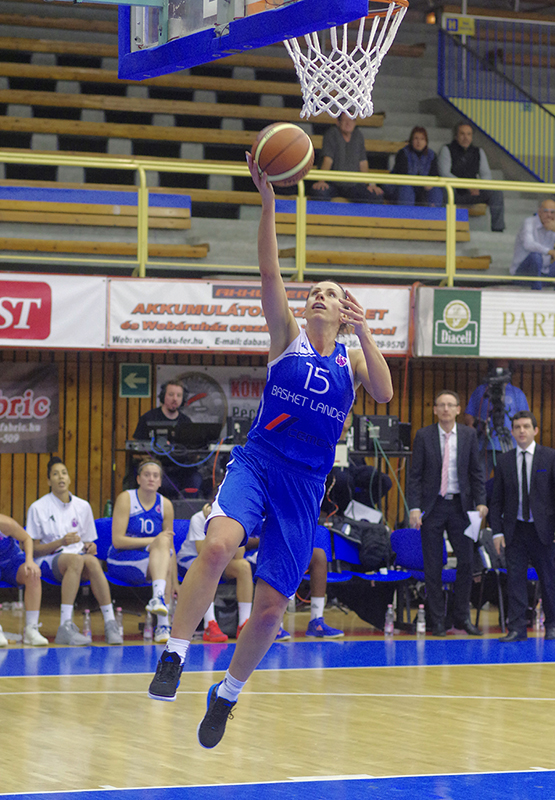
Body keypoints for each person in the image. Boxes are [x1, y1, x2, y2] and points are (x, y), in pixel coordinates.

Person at [148, 150, 393, 750]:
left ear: (343, 309)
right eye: (315, 291)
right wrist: (268, 204)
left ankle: (227, 694)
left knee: (270, 609)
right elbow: (269, 271)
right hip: (258, 463)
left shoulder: (352, 360)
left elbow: (386, 392)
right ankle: (175, 652)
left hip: (305, 486)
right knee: (216, 547)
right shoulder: (287, 336)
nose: (320, 296)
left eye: (331, 293)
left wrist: (366, 330)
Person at [407, 390, 488, 637]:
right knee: (433, 566)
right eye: (441, 405)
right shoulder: (424, 435)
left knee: (466, 563)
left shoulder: (468, 435)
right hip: (433, 507)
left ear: (458, 409)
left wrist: (481, 502)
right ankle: (437, 620)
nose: (445, 409)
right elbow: (415, 476)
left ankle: (462, 616)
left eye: (450, 405)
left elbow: (476, 472)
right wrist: (414, 508)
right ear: (434, 409)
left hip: (461, 507)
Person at [26, 457, 123, 646]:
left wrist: (90, 547)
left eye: (64, 473)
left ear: (69, 479)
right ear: (49, 481)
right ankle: (65, 625)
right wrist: (60, 542)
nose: (60, 477)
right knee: (76, 560)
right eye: (55, 474)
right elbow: (33, 549)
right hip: (49, 560)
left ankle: (110, 623)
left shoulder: (83, 506)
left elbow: (89, 543)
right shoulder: (38, 507)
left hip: (77, 560)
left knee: (92, 561)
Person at [490, 411, 555, 642]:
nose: (521, 431)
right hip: (514, 529)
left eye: (526, 426)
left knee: (548, 579)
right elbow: (496, 501)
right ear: (512, 431)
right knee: (515, 579)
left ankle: (552, 625)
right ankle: (517, 628)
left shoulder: (550, 457)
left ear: (535, 430)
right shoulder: (504, 461)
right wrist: (497, 532)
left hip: (543, 529)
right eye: (517, 427)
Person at [108, 459, 176, 644]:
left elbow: (170, 549)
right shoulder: (126, 498)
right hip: (121, 558)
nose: (151, 479)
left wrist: (175, 581)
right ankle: (163, 624)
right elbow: (117, 540)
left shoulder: (166, 505)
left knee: (165, 551)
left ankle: (158, 602)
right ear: (138, 479)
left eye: (155, 476)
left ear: (160, 482)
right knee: (162, 546)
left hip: (152, 560)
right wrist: (155, 541)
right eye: (147, 475)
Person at [176, 501, 253, 642]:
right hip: (190, 559)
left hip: (219, 561)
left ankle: (244, 624)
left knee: (244, 567)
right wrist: (211, 523)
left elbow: (239, 556)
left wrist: (235, 528)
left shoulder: (236, 519)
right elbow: (204, 553)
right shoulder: (199, 518)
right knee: (209, 565)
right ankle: (209, 624)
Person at [132, 380, 202, 500]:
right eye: (171, 394)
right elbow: (136, 450)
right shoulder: (148, 418)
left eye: (178, 395)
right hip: (159, 468)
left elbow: (193, 452)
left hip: (181, 469)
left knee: (196, 479)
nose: (175, 399)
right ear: (163, 396)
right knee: (165, 485)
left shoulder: (186, 421)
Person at [464, 361, 529, 479]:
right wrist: (474, 430)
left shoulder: (517, 393)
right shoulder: (481, 390)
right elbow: (469, 415)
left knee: (509, 480)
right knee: (479, 480)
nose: (501, 366)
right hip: (484, 444)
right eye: (498, 364)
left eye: (504, 365)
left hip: (509, 444)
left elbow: (525, 419)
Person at [438, 122, 505, 232]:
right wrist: (467, 186)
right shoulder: (447, 150)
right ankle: (445, 228)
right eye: (462, 134)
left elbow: (486, 175)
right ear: (456, 136)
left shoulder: (478, 152)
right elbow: (445, 174)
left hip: (474, 192)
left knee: (496, 193)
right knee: (445, 191)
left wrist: (478, 187)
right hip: (455, 193)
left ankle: (498, 229)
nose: (466, 137)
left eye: (469, 134)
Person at [310, 113, 384, 203]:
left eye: (351, 120)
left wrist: (370, 184)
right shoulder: (332, 133)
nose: (348, 123)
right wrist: (321, 181)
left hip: (354, 185)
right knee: (319, 193)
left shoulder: (358, 135)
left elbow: (363, 162)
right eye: (345, 120)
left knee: (375, 195)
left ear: (355, 123)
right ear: (338, 122)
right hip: (333, 183)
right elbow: (327, 159)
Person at [0, 513, 48, 647]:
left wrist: (29, 561)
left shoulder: (5, 523)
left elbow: (26, 538)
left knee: (32, 573)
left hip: (12, 562)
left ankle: (31, 629)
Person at [386, 126, 443, 207]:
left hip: (423, 188)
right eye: (416, 138)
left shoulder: (432, 155)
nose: (418, 142)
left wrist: (430, 184)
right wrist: (422, 182)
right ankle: (407, 214)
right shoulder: (403, 153)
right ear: (411, 140)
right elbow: (402, 175)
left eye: (422, 139)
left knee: (436, 190)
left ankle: (434, 214)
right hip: (401, 187)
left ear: (426, 142)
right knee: (406, 189)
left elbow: (434, 175)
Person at [510, 198, 555, 290]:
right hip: (524, 274)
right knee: (536, 257)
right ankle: (537, 292)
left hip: (545, 273)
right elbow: (528, 244)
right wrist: (549, 252)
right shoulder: (529, 222)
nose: (549, 215)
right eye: (546, 211)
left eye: (552, 212)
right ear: (539, 212)